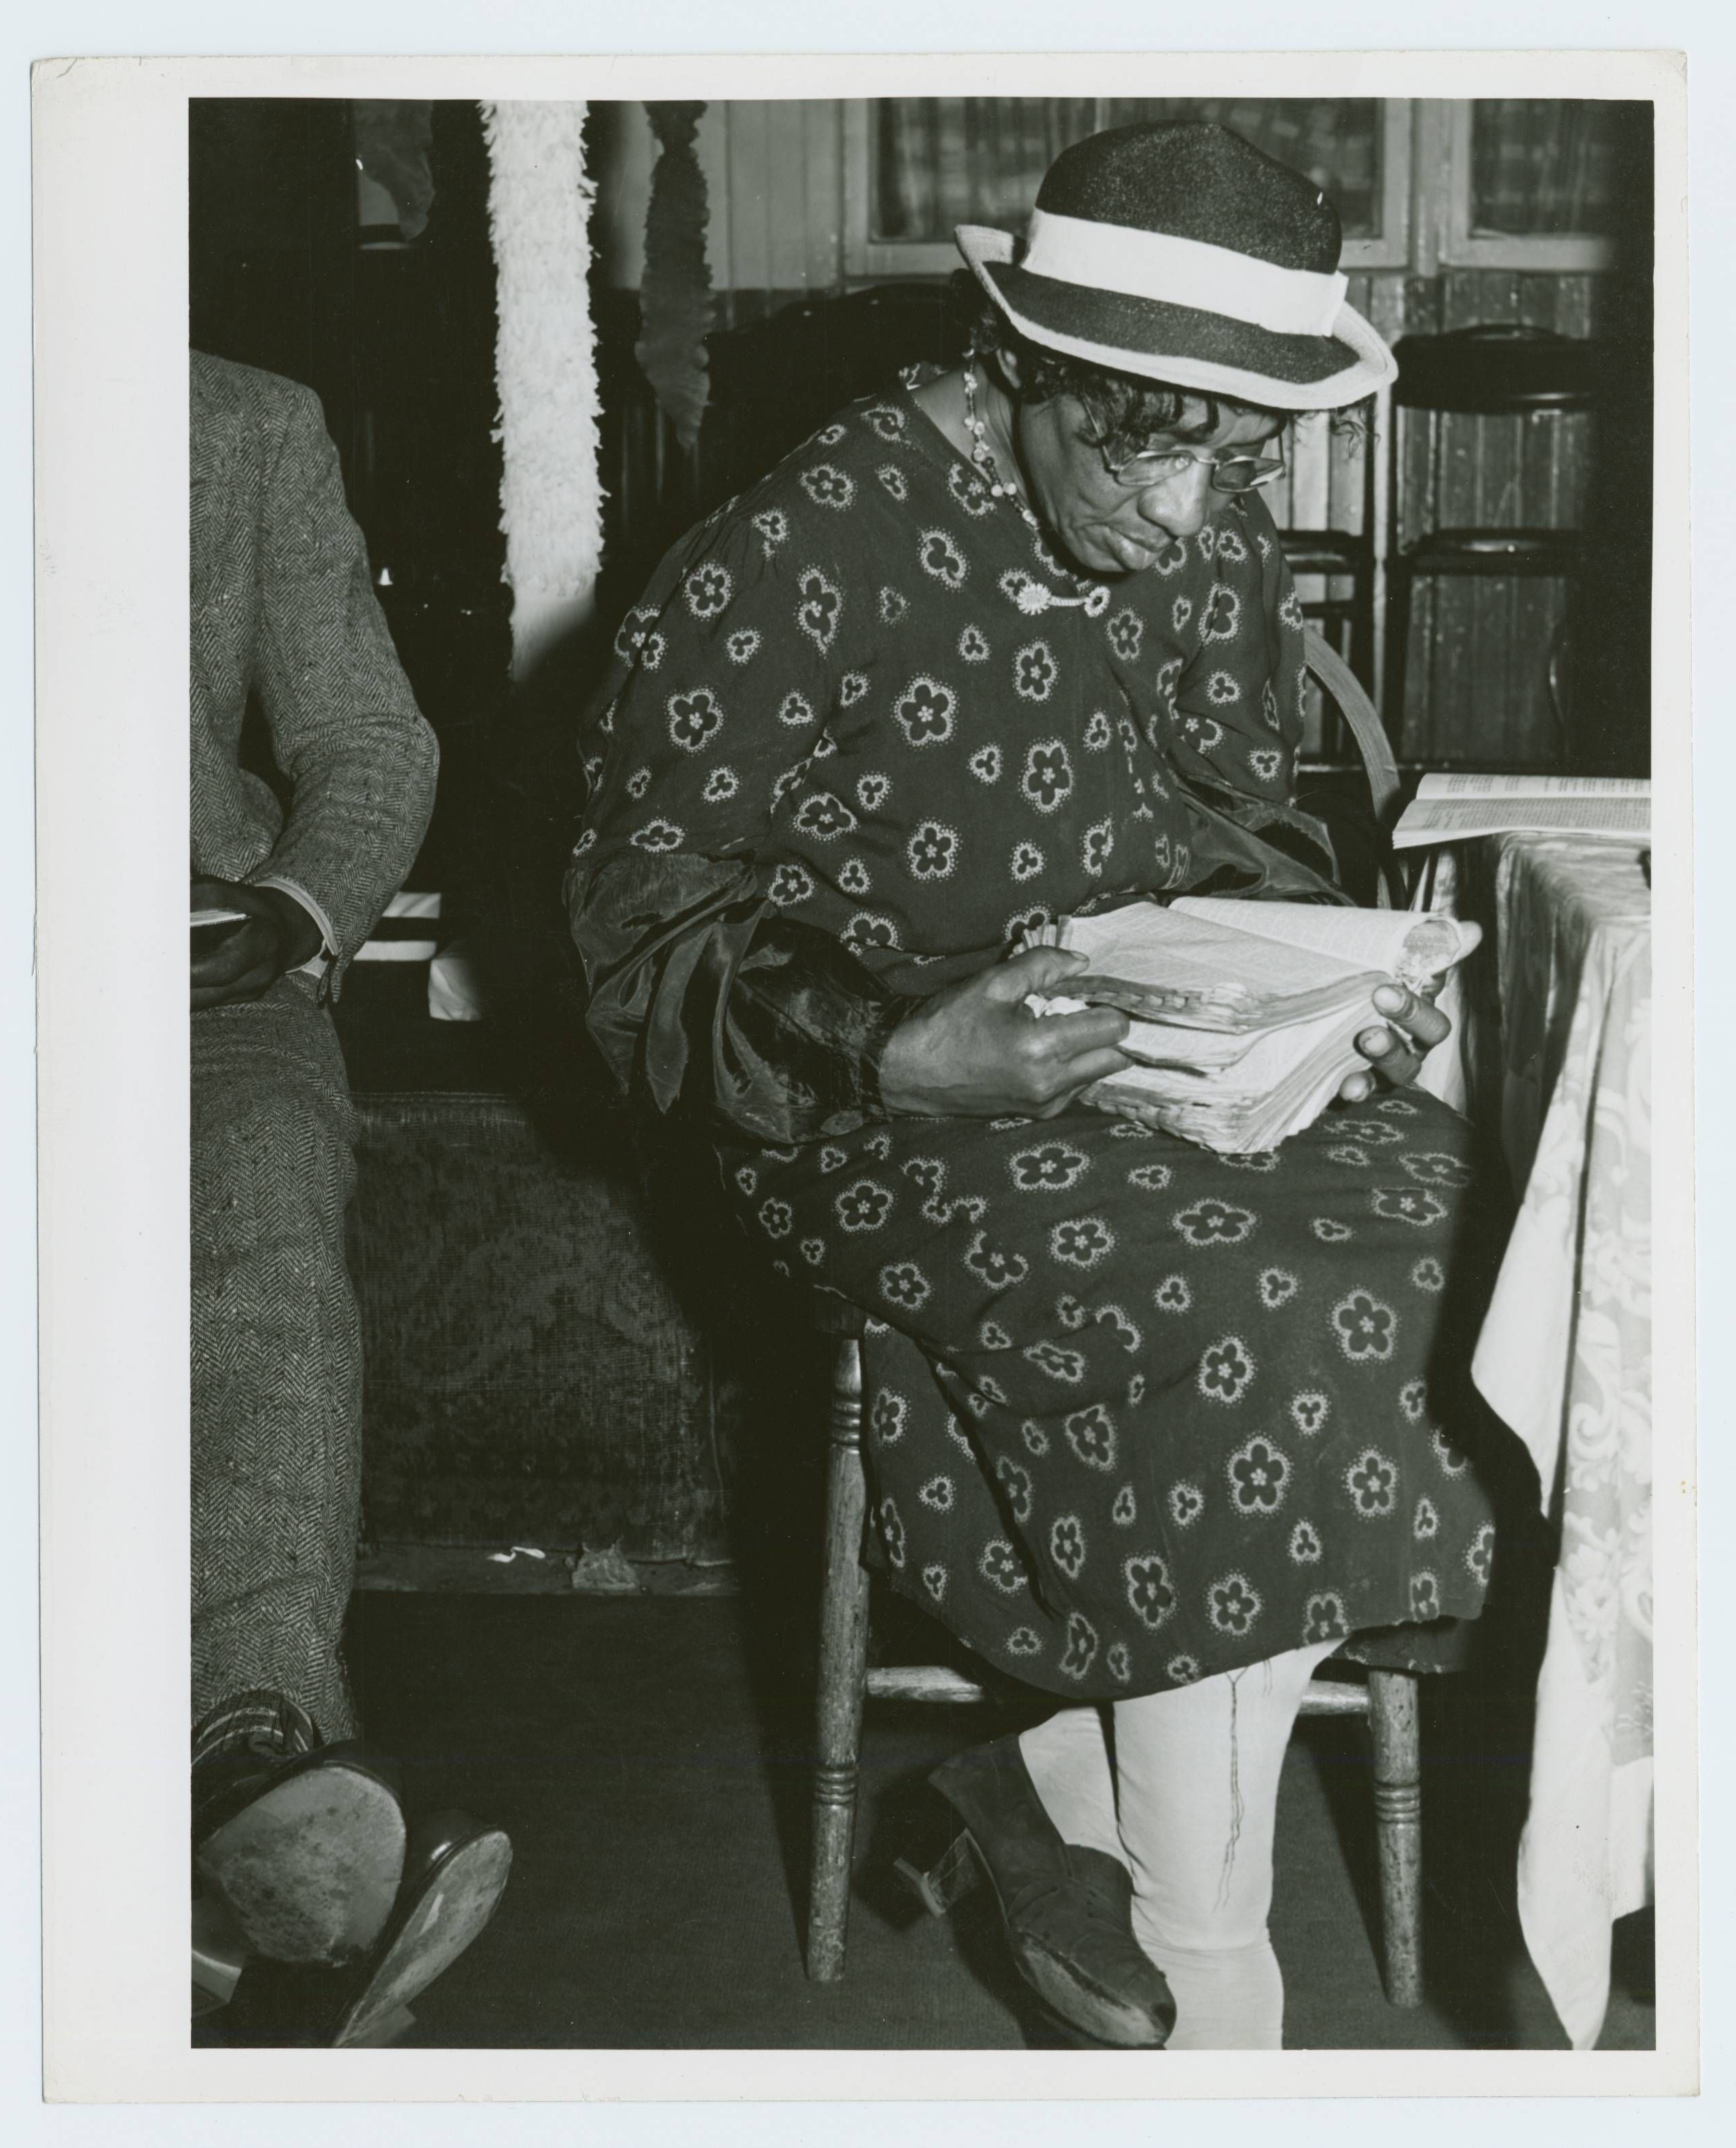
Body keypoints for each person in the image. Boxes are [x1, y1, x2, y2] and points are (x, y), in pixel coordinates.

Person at [567, 122, 1506, 2050]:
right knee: (1235, 1312)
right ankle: (1207, 1960)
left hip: (1181, 1072)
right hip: (860, 1106)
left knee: (1484, 1228)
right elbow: (637, 948)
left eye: (1231, 462)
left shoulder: (1196, 512)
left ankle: (1056, 1782)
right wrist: (900, 1043)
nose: (1185, 520)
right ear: (1019, 370)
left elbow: (1245, 820)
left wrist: (1341, 992)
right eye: (1141, 451)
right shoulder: (789, 555)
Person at [189, 352, 511, 2045]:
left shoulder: (240, 426)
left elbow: (368, 736)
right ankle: (209, 1935)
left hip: (193, 991)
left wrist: (300, 908)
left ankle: (250, 1747)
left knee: (254, 1238)